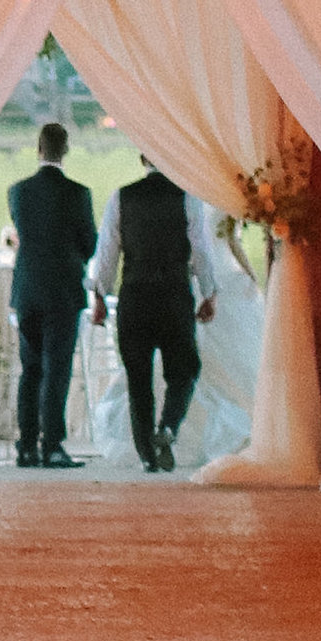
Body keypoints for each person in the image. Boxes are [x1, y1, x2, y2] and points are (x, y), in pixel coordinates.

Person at [92, 162, 218, 470]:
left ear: (142, 160)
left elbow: (107, 250)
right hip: (174, 296)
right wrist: (210, 292)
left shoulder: (122, 197)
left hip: (134, 297)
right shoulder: (186, 198)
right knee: (184, 370)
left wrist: (99, 295)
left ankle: (148, 456)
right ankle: (168, 427)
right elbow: (200, 249)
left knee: (138, 380)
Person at [6, 121, 95, 466]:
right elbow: (89, 243)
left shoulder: (18, 191)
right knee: (56, 368)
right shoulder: (78, 193)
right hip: (63, 291)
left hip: (27, 289)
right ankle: (52, 445)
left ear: (38, 149)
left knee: (30, 368)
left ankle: (26, 445)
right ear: (65, 150)